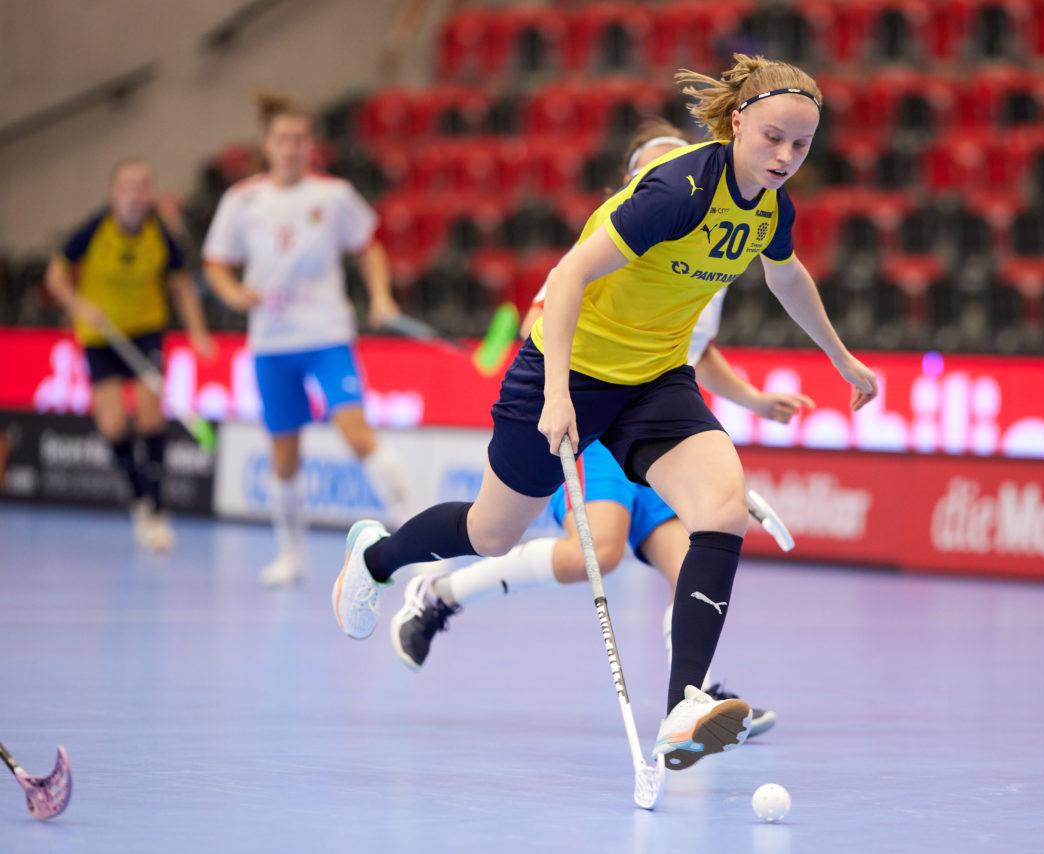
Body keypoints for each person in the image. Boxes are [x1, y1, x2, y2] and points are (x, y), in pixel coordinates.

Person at [333, 55, 878, 772]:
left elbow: (786, 272)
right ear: (738, 121)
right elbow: (567, 278)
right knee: (490, 533)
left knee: (718, 507)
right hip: (570, 373)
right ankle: (375, 560)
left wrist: (842, 360)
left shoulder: (771, 207)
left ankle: (685, 705)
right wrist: (559, 393)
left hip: (654, 380)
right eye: (774, 137)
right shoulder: (678, 191)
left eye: (801, 146)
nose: (785, 157)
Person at [388, 120, 814, 741]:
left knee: (695, 554)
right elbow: (546, 321)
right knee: (597, 553)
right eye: (660, 165)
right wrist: (559, 396)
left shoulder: (714, 241)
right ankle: (441, 592)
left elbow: (698, 351)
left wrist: (751, 399)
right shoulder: (614, 243)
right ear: (634, 181)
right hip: (594, 409)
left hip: (658, 415)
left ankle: (691, 697)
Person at [203, 92, 416, 587]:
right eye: (282, 139)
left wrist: (381, 296)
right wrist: (235, 294)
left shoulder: (335, 195)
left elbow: (368, 247)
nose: (291, 147)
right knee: (284, 454)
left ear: (311, 146)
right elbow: (215, 262)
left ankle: (418, 535)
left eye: (300, 139)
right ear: (268, 145)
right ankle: (290, 555)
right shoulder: (242, 200)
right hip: (272, 344)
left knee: (357, 434)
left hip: (326, 337)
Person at [46, 159, 215, 552]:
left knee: (150, 415)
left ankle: (157, 508)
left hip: (145, 334)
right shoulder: (92, 230)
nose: (135, 194)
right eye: (127, 186)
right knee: (113, 426)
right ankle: (139, 498)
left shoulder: (161, 235)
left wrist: (198, 333)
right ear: (114, 193)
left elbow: (182, 288)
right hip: (101, 336)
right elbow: (55, 277)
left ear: (149, 193)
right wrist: (78, 305)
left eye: (143, 186)